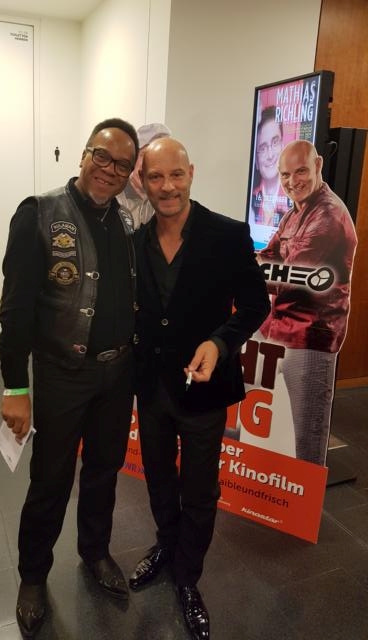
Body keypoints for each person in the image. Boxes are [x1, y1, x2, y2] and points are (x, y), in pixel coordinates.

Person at [0, 117, 139, 638]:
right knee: (51, 478)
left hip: (117, 374)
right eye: (102, 156)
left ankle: (95, 552)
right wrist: (16, 387)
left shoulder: (126, 220)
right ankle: (33, 576)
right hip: (61, 373)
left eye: (123, 164)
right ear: (83, 154)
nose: (110, 170)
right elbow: (15, 311)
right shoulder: (38, 213)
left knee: (104, 470)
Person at [129, 137, 270, 640]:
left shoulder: (228, 234)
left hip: (205, 389)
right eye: (155, 177)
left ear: (191, 173)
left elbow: (255, 305)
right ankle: (167, 545)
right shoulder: (135, 242)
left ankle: (188, 575)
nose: (167, 186)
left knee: (200, 488)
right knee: (158, 478)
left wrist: (220, 341)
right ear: (142, 183)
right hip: (151, 387)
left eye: (176, 174)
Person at [258, 139, 357, 465]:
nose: (292, 181)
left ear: (318, 165)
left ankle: (304, 498)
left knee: (305, 440)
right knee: (281, 431)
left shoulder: (327, 216)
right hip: (281, 332)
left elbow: (288, 277)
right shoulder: (295, 212)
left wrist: (238, 273)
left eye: (300, 171)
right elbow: (269, 255)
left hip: (309, 338)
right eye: (285, 175)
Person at [117, 122, 171, 228]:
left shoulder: (166, 202)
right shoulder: (114, 198)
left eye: (160, 158)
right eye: (145, 155)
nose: (152, 165)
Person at [250, 106, 291, 227]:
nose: (270, 155)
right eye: (262, 148)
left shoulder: (297, 199)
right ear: (256, 161)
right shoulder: (251, 200)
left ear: (283, 146)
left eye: (275, 142)